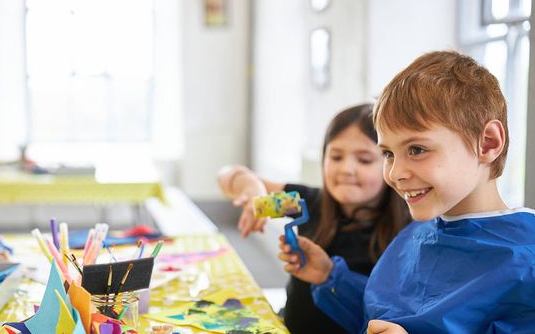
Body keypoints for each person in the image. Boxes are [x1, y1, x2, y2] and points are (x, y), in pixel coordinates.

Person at [279, 51, 535, 333]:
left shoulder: (524, 260)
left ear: (487, 144)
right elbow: (381, 317)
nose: (394, 173)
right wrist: (329, 277)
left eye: (417, 149)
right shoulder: (415, 235)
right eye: (388, 153)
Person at [218, 103, 411, 333]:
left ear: (390, 164)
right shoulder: (305, 201)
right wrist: (253, 188)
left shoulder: (408, 228)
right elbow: (227, 176)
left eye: (364, 160)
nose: (347, 169)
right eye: (336, 157)